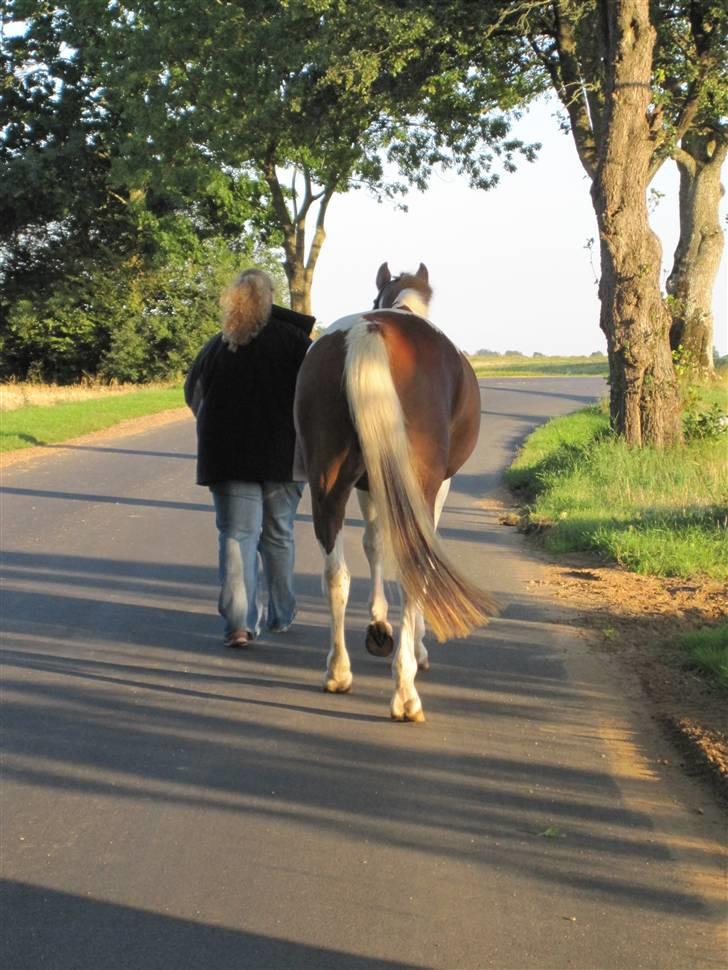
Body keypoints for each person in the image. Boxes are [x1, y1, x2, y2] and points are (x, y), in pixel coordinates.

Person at [185, 268, 315, 648]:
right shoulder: (296, 343)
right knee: (278, 535)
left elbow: (194, 395)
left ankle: (240, 625)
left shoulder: (217, 344)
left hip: (227, 457)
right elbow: (313, 399)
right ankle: (281, 614)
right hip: (283, 458)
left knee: (237, 536)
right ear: (270, 298)